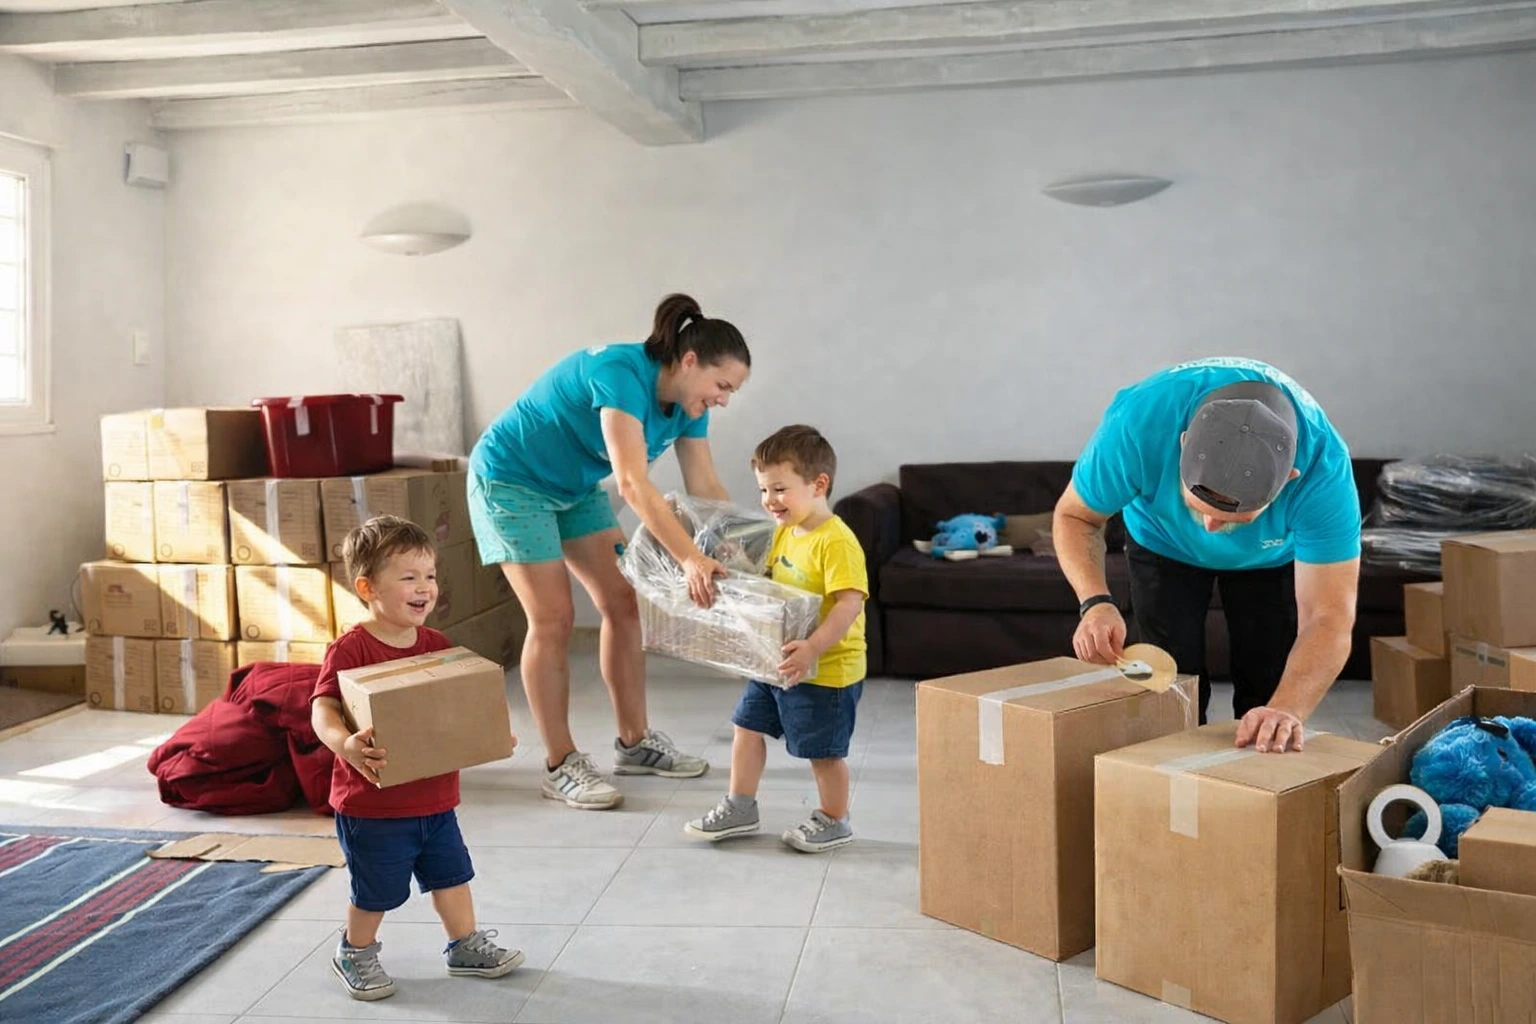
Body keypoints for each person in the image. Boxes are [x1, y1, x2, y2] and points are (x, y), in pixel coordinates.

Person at [468, 293, 751, 810]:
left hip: (572, 488)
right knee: (553, 617)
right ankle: (559, 764)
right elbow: (632, 482)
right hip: (510, 481)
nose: (725, 399)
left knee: (622, 601)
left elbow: (704, 485)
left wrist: (741, 548)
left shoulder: (689, 405)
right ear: (689, 362)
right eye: (723, 385)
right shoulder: (621, 372)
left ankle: (634, 742)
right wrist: (690, 558)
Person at [1052, 357, 1361, 756]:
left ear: (1289, 479)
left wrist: (1286, 709)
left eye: (1231, 517)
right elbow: (1075, 516)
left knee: (1267, 693)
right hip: (1162, 542)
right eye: (1200, 506)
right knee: (1170, 686)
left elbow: (1330, 616)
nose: (1210, 528)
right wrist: (1095, 603)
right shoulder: (1139, 425)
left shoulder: (1324, 473)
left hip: (1269, 559)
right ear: (1181, 445)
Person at [311, 515, 522, 1001]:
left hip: (436, 800)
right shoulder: (352, 649)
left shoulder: (437, 646)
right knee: (376, 891)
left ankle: (464, 944)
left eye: (429, 575)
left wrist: (489, 736)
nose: (424, 587)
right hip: (373, 806)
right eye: (408, 577)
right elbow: (322, 709)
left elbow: (457, 709)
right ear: (368, 587)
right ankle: (355, 951)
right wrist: (345, 744)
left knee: (453, 875)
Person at [684, 425, 869, 852]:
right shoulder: (787, 529)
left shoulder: (836, 541)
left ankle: (835, 819)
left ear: (818, 484)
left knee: (823, 751)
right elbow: (773, 580)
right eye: (764, 490)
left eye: (780, 489)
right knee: (746, 727)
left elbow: (848, 604)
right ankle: (740, 805)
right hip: (777, 661)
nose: (769, 501)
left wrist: (812, 648)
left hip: (826, 668)